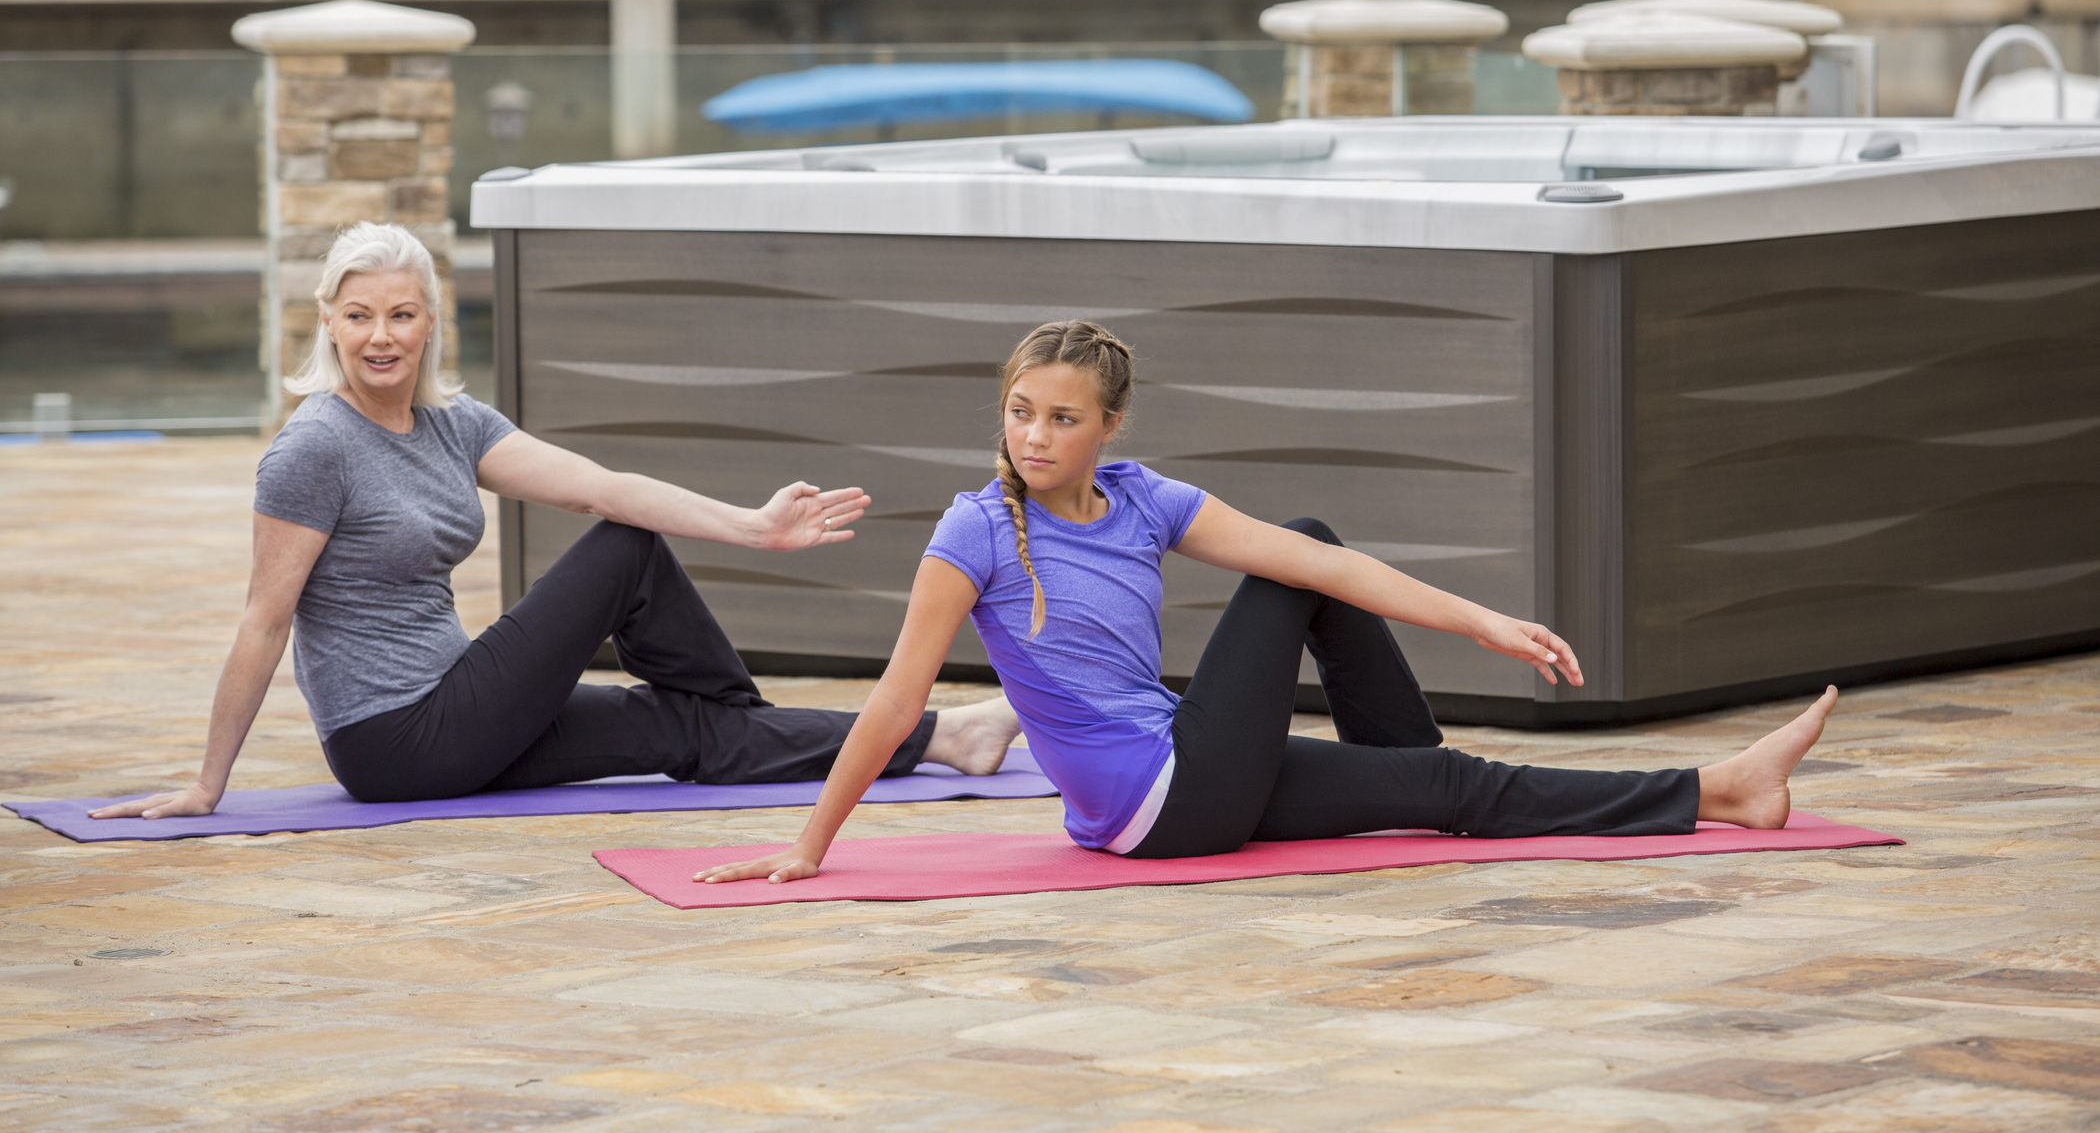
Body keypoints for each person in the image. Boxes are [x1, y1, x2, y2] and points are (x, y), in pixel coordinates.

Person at [701, 319, 1841, 885]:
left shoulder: (1143, 499)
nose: (1034, 435)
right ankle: (1410, 762)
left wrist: (1484, 618)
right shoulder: (973, 529)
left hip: (1178, 790)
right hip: (1157, 793)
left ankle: (1723, 790)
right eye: (1019, 411)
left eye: (1061, 417)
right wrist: (810, 844)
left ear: (1107, 426)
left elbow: (1345, 583)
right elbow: (900, 697)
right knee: (1302, 545)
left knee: (1345, 605)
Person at [92, 222, 1018, 822]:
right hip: (396, 739)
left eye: (402, 315)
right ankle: (740, 712)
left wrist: (752, 525)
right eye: (361, 315)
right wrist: (209, 782)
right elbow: (265, 616)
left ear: (429, 325)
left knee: (673, 730)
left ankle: (945, 739)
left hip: (464, 709)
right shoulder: (313, 448)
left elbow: (597, 481)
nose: (382, 335)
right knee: (624, 553)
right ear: (329, 324)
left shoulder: (451, 425)